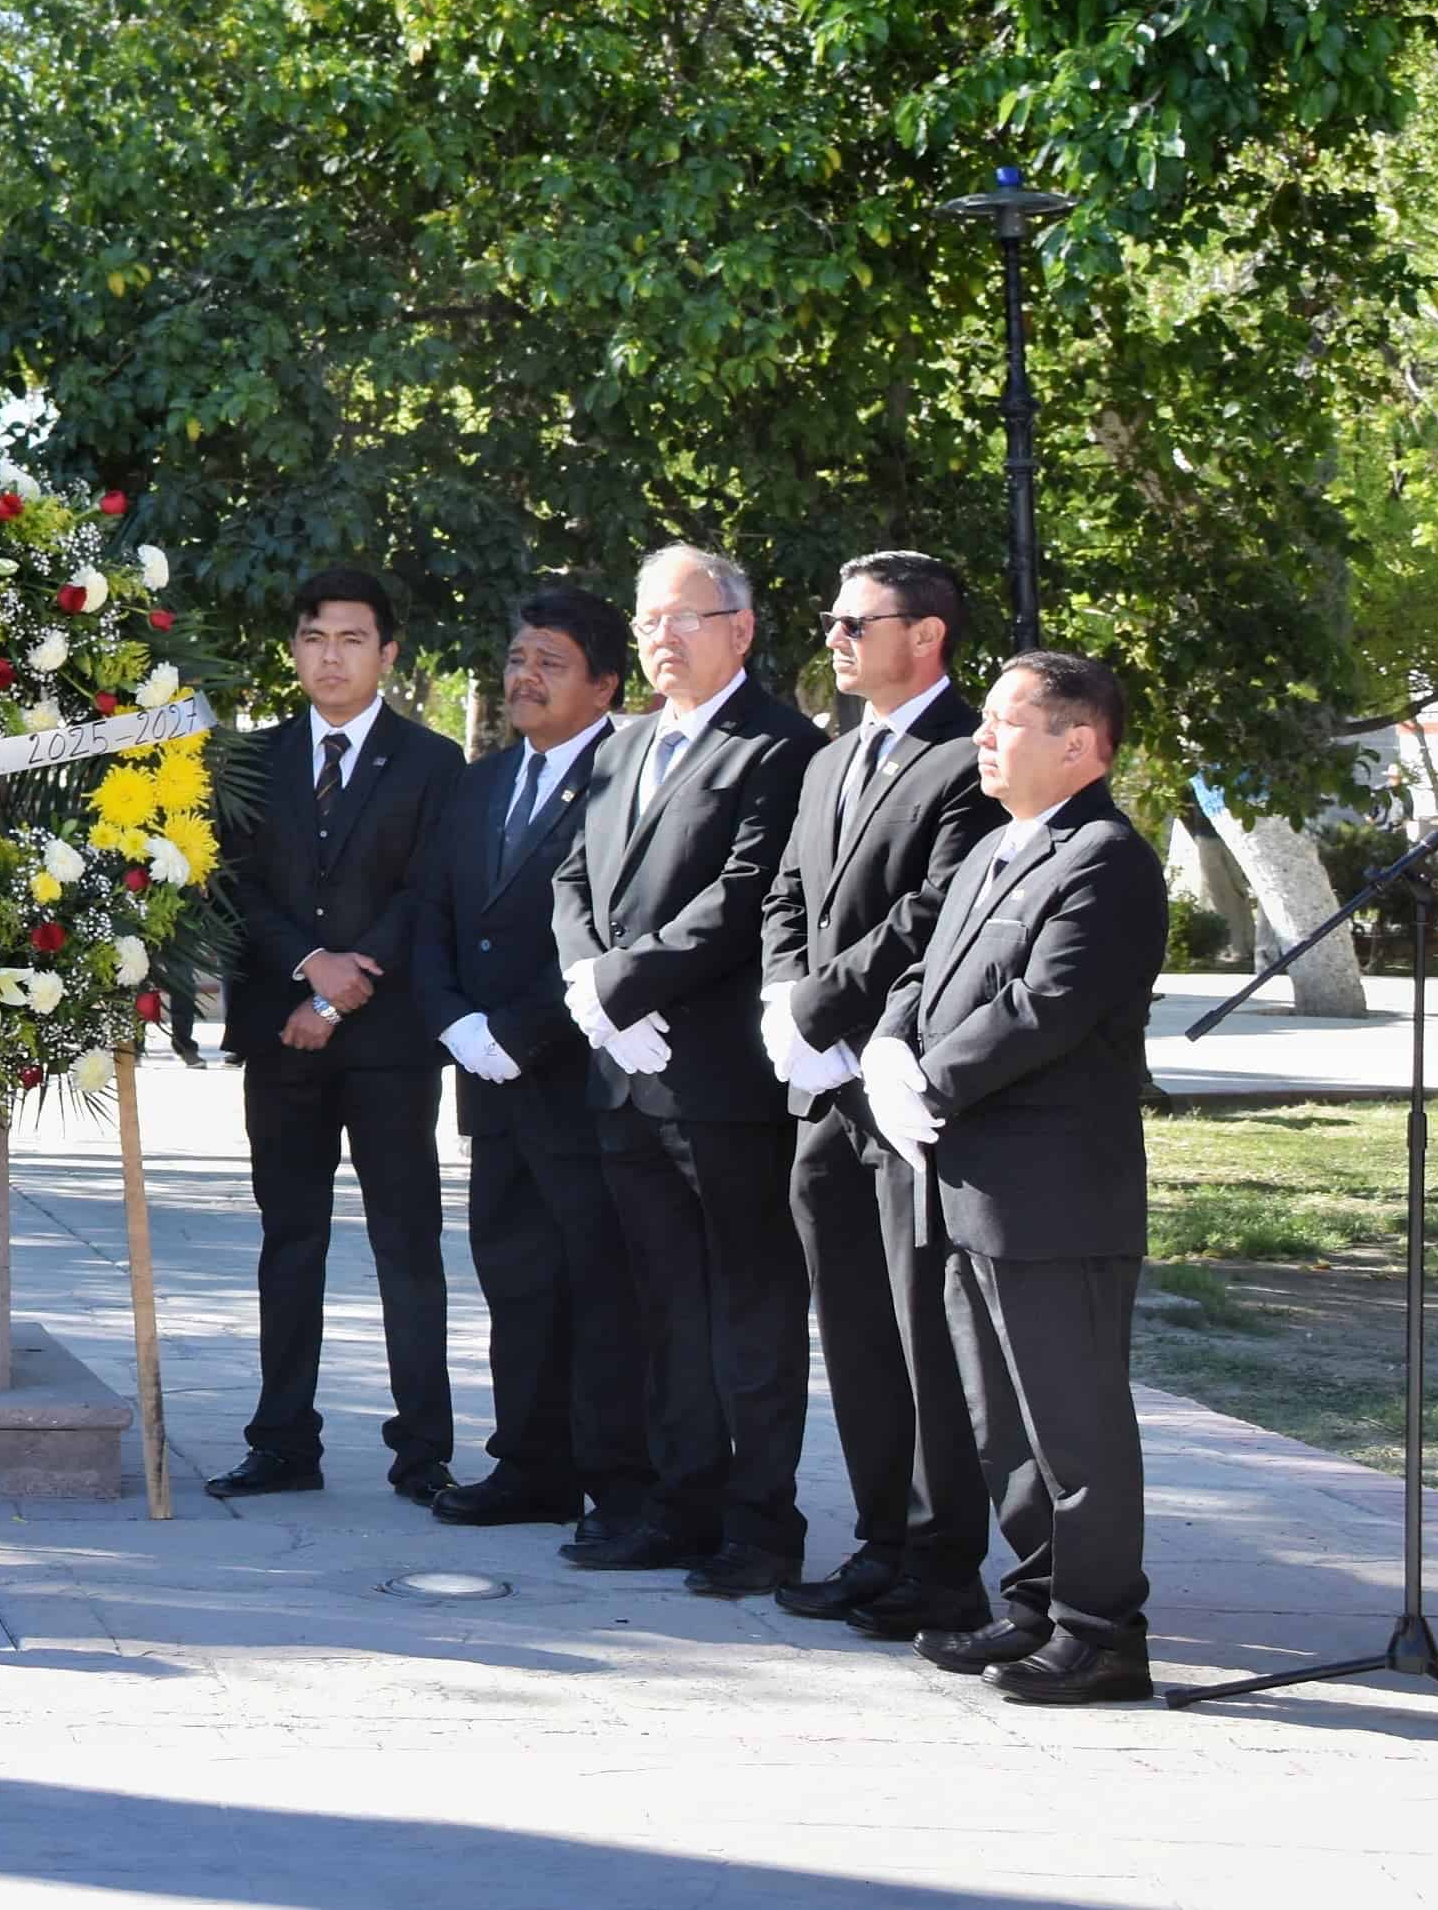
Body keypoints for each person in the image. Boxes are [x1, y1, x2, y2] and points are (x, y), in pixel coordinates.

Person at [864, 652, 1169, 1706]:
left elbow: (1045, 1005)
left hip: (1050, 1191)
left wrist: (925, 1082)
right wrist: (889, 1051)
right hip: (967, 1177)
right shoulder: (999, 846)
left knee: (1070, 1423)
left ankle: (1100, 1631)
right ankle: (1038, 1604)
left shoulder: (1105, 860)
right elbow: (922, 971)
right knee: (1004, 1426)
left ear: (1077, 743)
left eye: (1003, 723)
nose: (981, 739)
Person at [549, 543, 821, 1592]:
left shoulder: (777, 747)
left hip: (719, 1078)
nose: (661, 638)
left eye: (684, 618)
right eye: (648, 619)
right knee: (662, 1308)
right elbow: (573, 876)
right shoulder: (618, 747)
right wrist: (589, 989)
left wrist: (625, 988)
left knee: (746, 1311)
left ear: (739, 630)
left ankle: (761, 1525)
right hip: (625, 1072)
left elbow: (746, 896)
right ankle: (680, 1503)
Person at [761, 553, 997, 1639]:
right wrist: (782, 1008)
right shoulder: (827, 759)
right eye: (831, 617)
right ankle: (876, 1542)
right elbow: (788, 893)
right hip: (822, 1093)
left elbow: (932, 914)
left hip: (900, 1084)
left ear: (925, 634)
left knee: (918, 1336)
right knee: (852, 1332)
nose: (835, 638)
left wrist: (823, 1010)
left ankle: (939, 1561)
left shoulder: (969, 757)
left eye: (855, 620)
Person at [213, 567, 463, 1502]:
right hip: (281, 1035)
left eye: (353, 639)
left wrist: (341, 987)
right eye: (316, 637)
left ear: (388, 652)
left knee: (407, 1243)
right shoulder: (251, 759)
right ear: (294, 648)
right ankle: (283, 1440)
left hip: (390, 1042)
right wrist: (307, 969)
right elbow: (236, 887)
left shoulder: (434, 763)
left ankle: (424, 1450)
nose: (332, 656)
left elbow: (426, 892)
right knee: (291, 1238)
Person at [409, 586, 642, 1539]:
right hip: (486, 1079)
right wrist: (455, 1022)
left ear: (604, 684)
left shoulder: (627, 777)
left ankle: (614, 1476)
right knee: (513, 1276)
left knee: (597, 1282)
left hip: (576, 1074)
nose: (525, 676)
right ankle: (528, 1463)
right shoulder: (481, 781)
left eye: (550, 661)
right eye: (517, 658)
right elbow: (432, 913)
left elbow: (606, 927)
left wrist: (520, 1030)